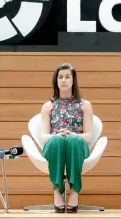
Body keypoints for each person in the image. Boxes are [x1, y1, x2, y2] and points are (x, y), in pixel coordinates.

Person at [40, 63, 94, 213]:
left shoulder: (85, 105)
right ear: (56, 81)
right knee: (57, 141)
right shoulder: (48, 106)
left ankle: (74, 192)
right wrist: (55, 135)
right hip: (55, 144)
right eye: (60, 77)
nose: (63, 80)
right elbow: (44, 136)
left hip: (77, 144)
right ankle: (57, 191)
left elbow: (89, 136)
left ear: (73, 80)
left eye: (67, 77)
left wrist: (74, 134)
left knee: (73, 141)